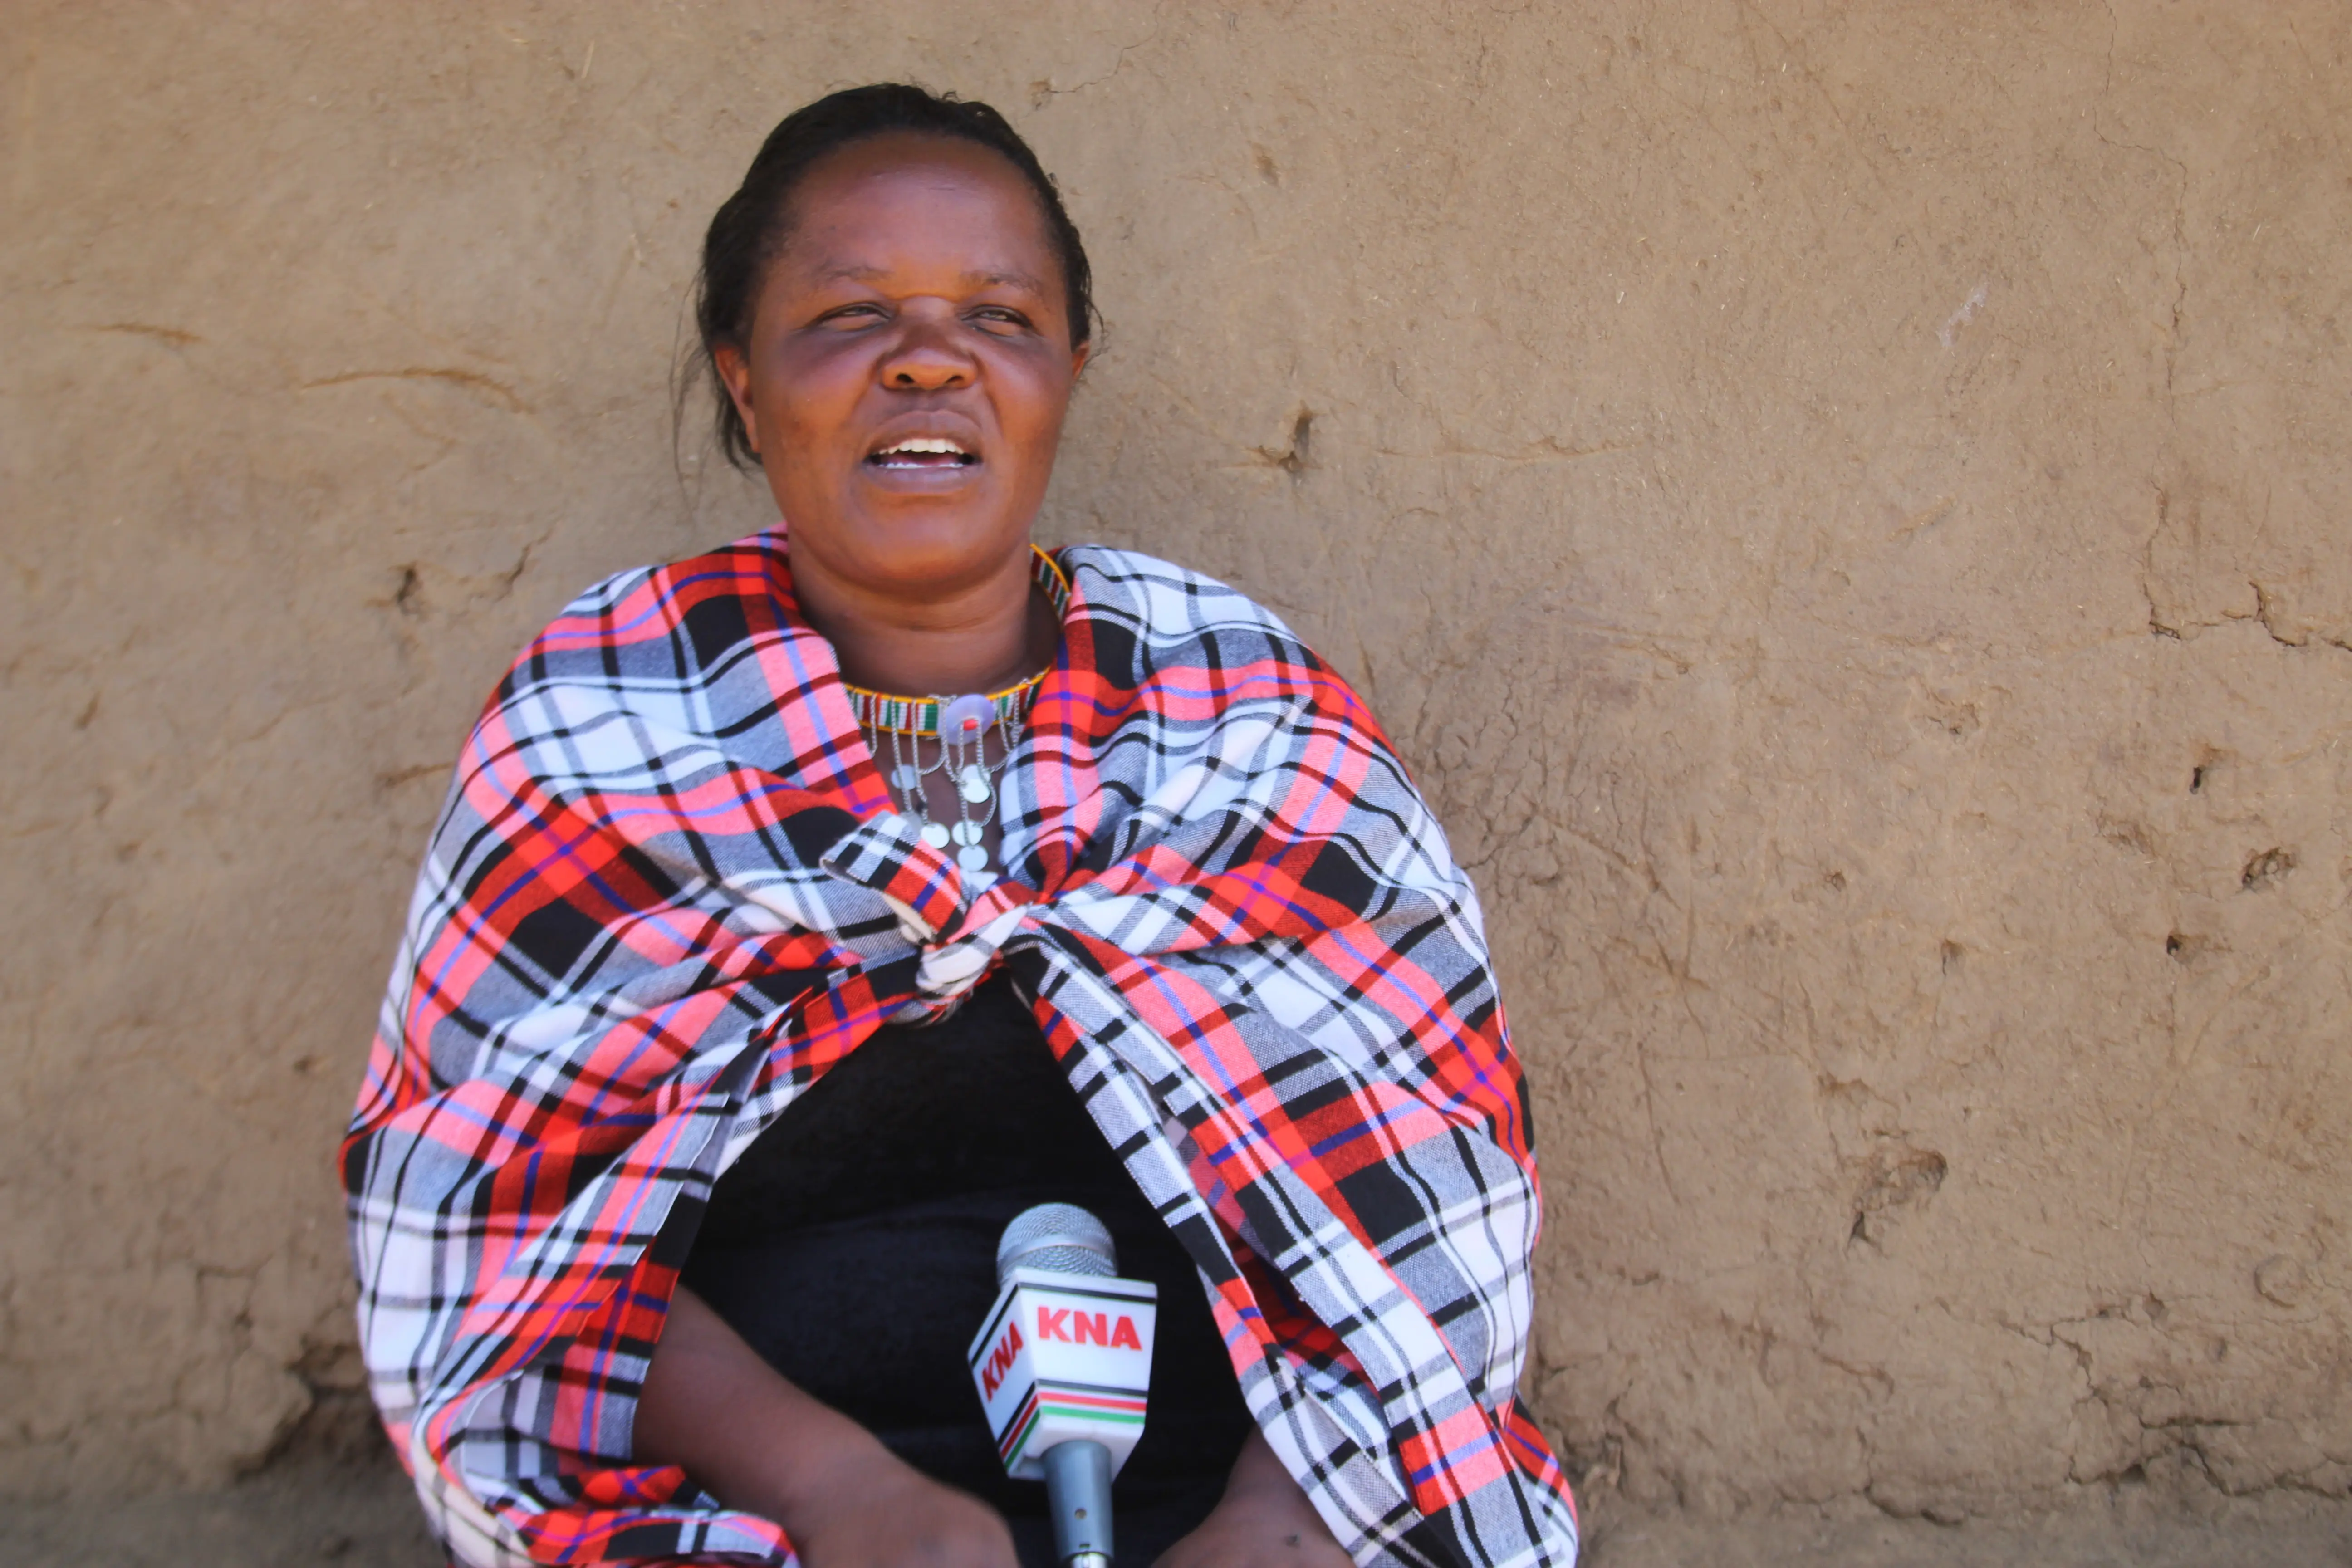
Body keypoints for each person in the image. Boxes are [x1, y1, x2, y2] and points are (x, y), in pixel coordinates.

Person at [343, 84, 1578, 1568]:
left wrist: (1277, 1527)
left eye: (998, 318)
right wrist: (840, 1495)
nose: (930, 360)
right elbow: (521, 1237)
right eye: (852, 315)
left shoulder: (1247, 713)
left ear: (1068, 368)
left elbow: (1412, 1210)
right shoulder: (602, 728)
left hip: (1247, 1505)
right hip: (745, 1516)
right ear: (743, 378)